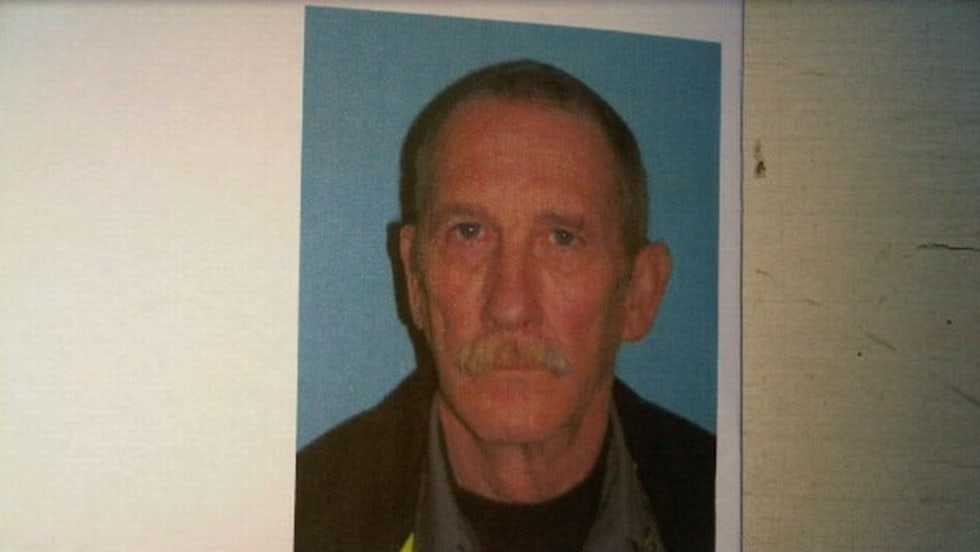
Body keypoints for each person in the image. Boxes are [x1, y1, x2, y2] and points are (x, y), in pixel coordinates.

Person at [295, 59, 715, 552]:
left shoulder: (734, 505)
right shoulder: (295, 520)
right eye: (468, 233)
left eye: (562, 239)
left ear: (640, 293)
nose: (510, 306)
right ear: (414, 278)